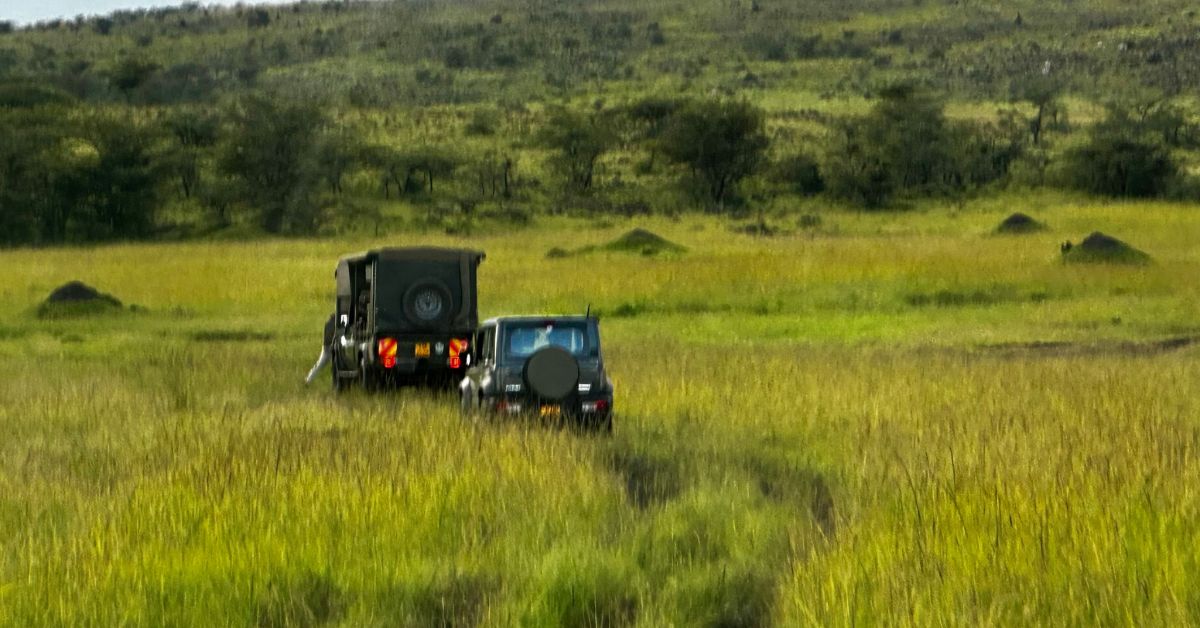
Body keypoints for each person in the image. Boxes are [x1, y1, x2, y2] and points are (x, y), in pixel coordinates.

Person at [305, 313, 336, 384]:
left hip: (326, 347)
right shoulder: (332, 325)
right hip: (330, 348)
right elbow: (330, 337)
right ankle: (334, 382)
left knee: (319, 365)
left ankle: (308, 380)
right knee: (335, 366)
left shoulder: (328, 324)